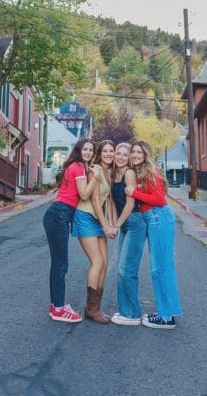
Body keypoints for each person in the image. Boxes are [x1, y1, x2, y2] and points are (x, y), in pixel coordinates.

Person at [124, 140, 182, 330]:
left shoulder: (150, 170)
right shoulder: (142, 172)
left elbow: (158, 199)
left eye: (138, 152)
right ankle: (168, 312)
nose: (134, 155)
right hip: (155, 219)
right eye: (133, 152)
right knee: (163, 267)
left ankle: (166, 318)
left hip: (159, 218)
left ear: (145, 154)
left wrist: (135, 192)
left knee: (160, 268)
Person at [44, 138, 96, 323]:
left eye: (91, 150)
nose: (88, 152)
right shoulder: (78, 167)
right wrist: (95, 177)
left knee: (58, 263)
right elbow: (83, 194)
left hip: (58, 214)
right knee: (60, 264)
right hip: (59, 214)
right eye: (85, 149)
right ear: (79, 150)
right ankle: (58, 308)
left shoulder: (76, 166)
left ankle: (55, 305)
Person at [71, 139, 115, 324]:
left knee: (104, 262)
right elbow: (95, 200)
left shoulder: (108, 172)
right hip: (85, 216)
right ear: (100, 153)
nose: (108, 154)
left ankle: (96, 307)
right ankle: (91, 309)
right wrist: (105, 226)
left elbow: (108, 200)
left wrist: (112, 224)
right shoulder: (95, 170)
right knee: (97, 261)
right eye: (105, 151)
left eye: (111, 151)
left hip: (98, 219)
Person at [109, 142, 146, 326]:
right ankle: (125, 311)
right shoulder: (113, 174)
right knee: (120, 270)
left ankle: (134, 313)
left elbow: (130, 204)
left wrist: (116, 224)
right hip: (125, 224)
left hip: (135, 223)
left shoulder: (129, 173)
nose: (122, 157)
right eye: (119, 153)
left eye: (125, 154)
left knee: (127, 270)